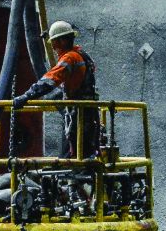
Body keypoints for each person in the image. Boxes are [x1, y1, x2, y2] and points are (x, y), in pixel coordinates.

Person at [12, 20, 100, 158]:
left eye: (54, 42)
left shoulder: (70, 58)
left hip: (78, 112)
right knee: (83, 150)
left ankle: (72, 174)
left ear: (63, 41)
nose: (53, 47)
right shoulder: (83, 55)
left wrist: (26, 97)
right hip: (89, 111)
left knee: (73, 151)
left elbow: (50, 80)